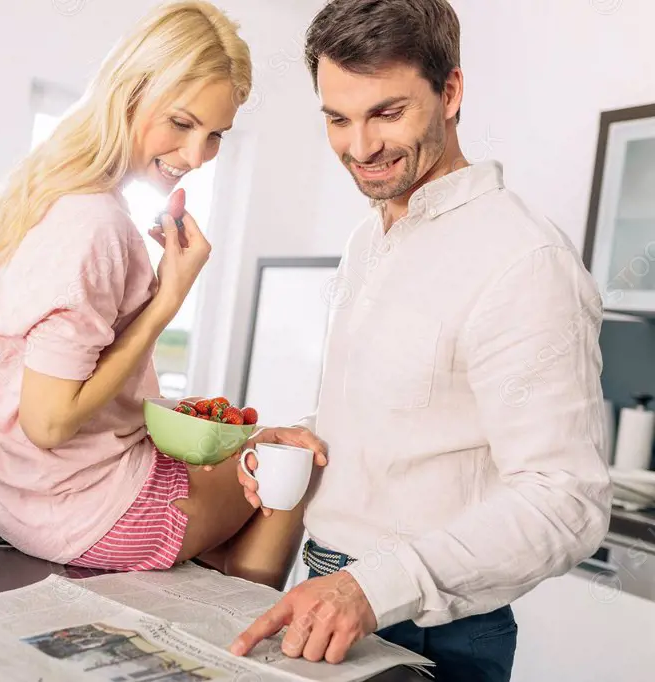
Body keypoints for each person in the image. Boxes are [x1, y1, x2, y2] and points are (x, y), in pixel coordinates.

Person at [229, 1, 613, 680]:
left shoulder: (524, 260)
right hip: (323, 588)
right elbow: (414, 413)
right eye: (338, 119)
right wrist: (308, 438)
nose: (360, 147)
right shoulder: (368, 237)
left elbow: (566, 499)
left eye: (387, 113)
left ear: (452, 92)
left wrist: (370, 589)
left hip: (428, 634)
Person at [0, 0, 325, 590]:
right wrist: (166, 301)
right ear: (129, 91)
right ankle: (240, 625)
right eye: (181, 123)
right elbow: (50, 423)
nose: (195, 158)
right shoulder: (96, 224)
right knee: (287, 461)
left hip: (8, 498)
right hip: (89, 515)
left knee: (245, 455)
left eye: (216, 137)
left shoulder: (47, 190)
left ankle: (210, 585)